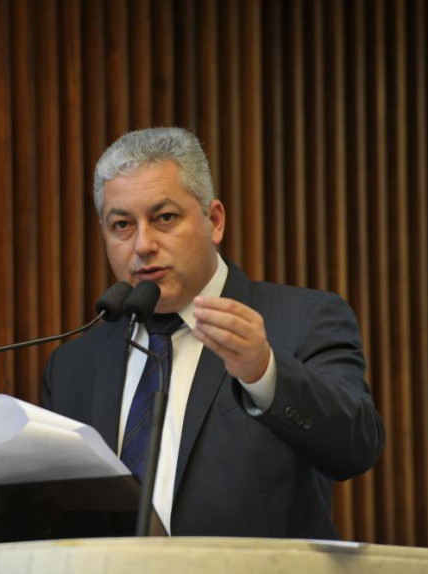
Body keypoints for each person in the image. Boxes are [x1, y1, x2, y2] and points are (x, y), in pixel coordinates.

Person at [42, 127, 385, 539]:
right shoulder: (72, 366)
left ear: (214, 221)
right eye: (122, 225)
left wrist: (265, 373)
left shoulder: (302, 319)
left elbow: (356, 448)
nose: (143, 245)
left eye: (164, 218)